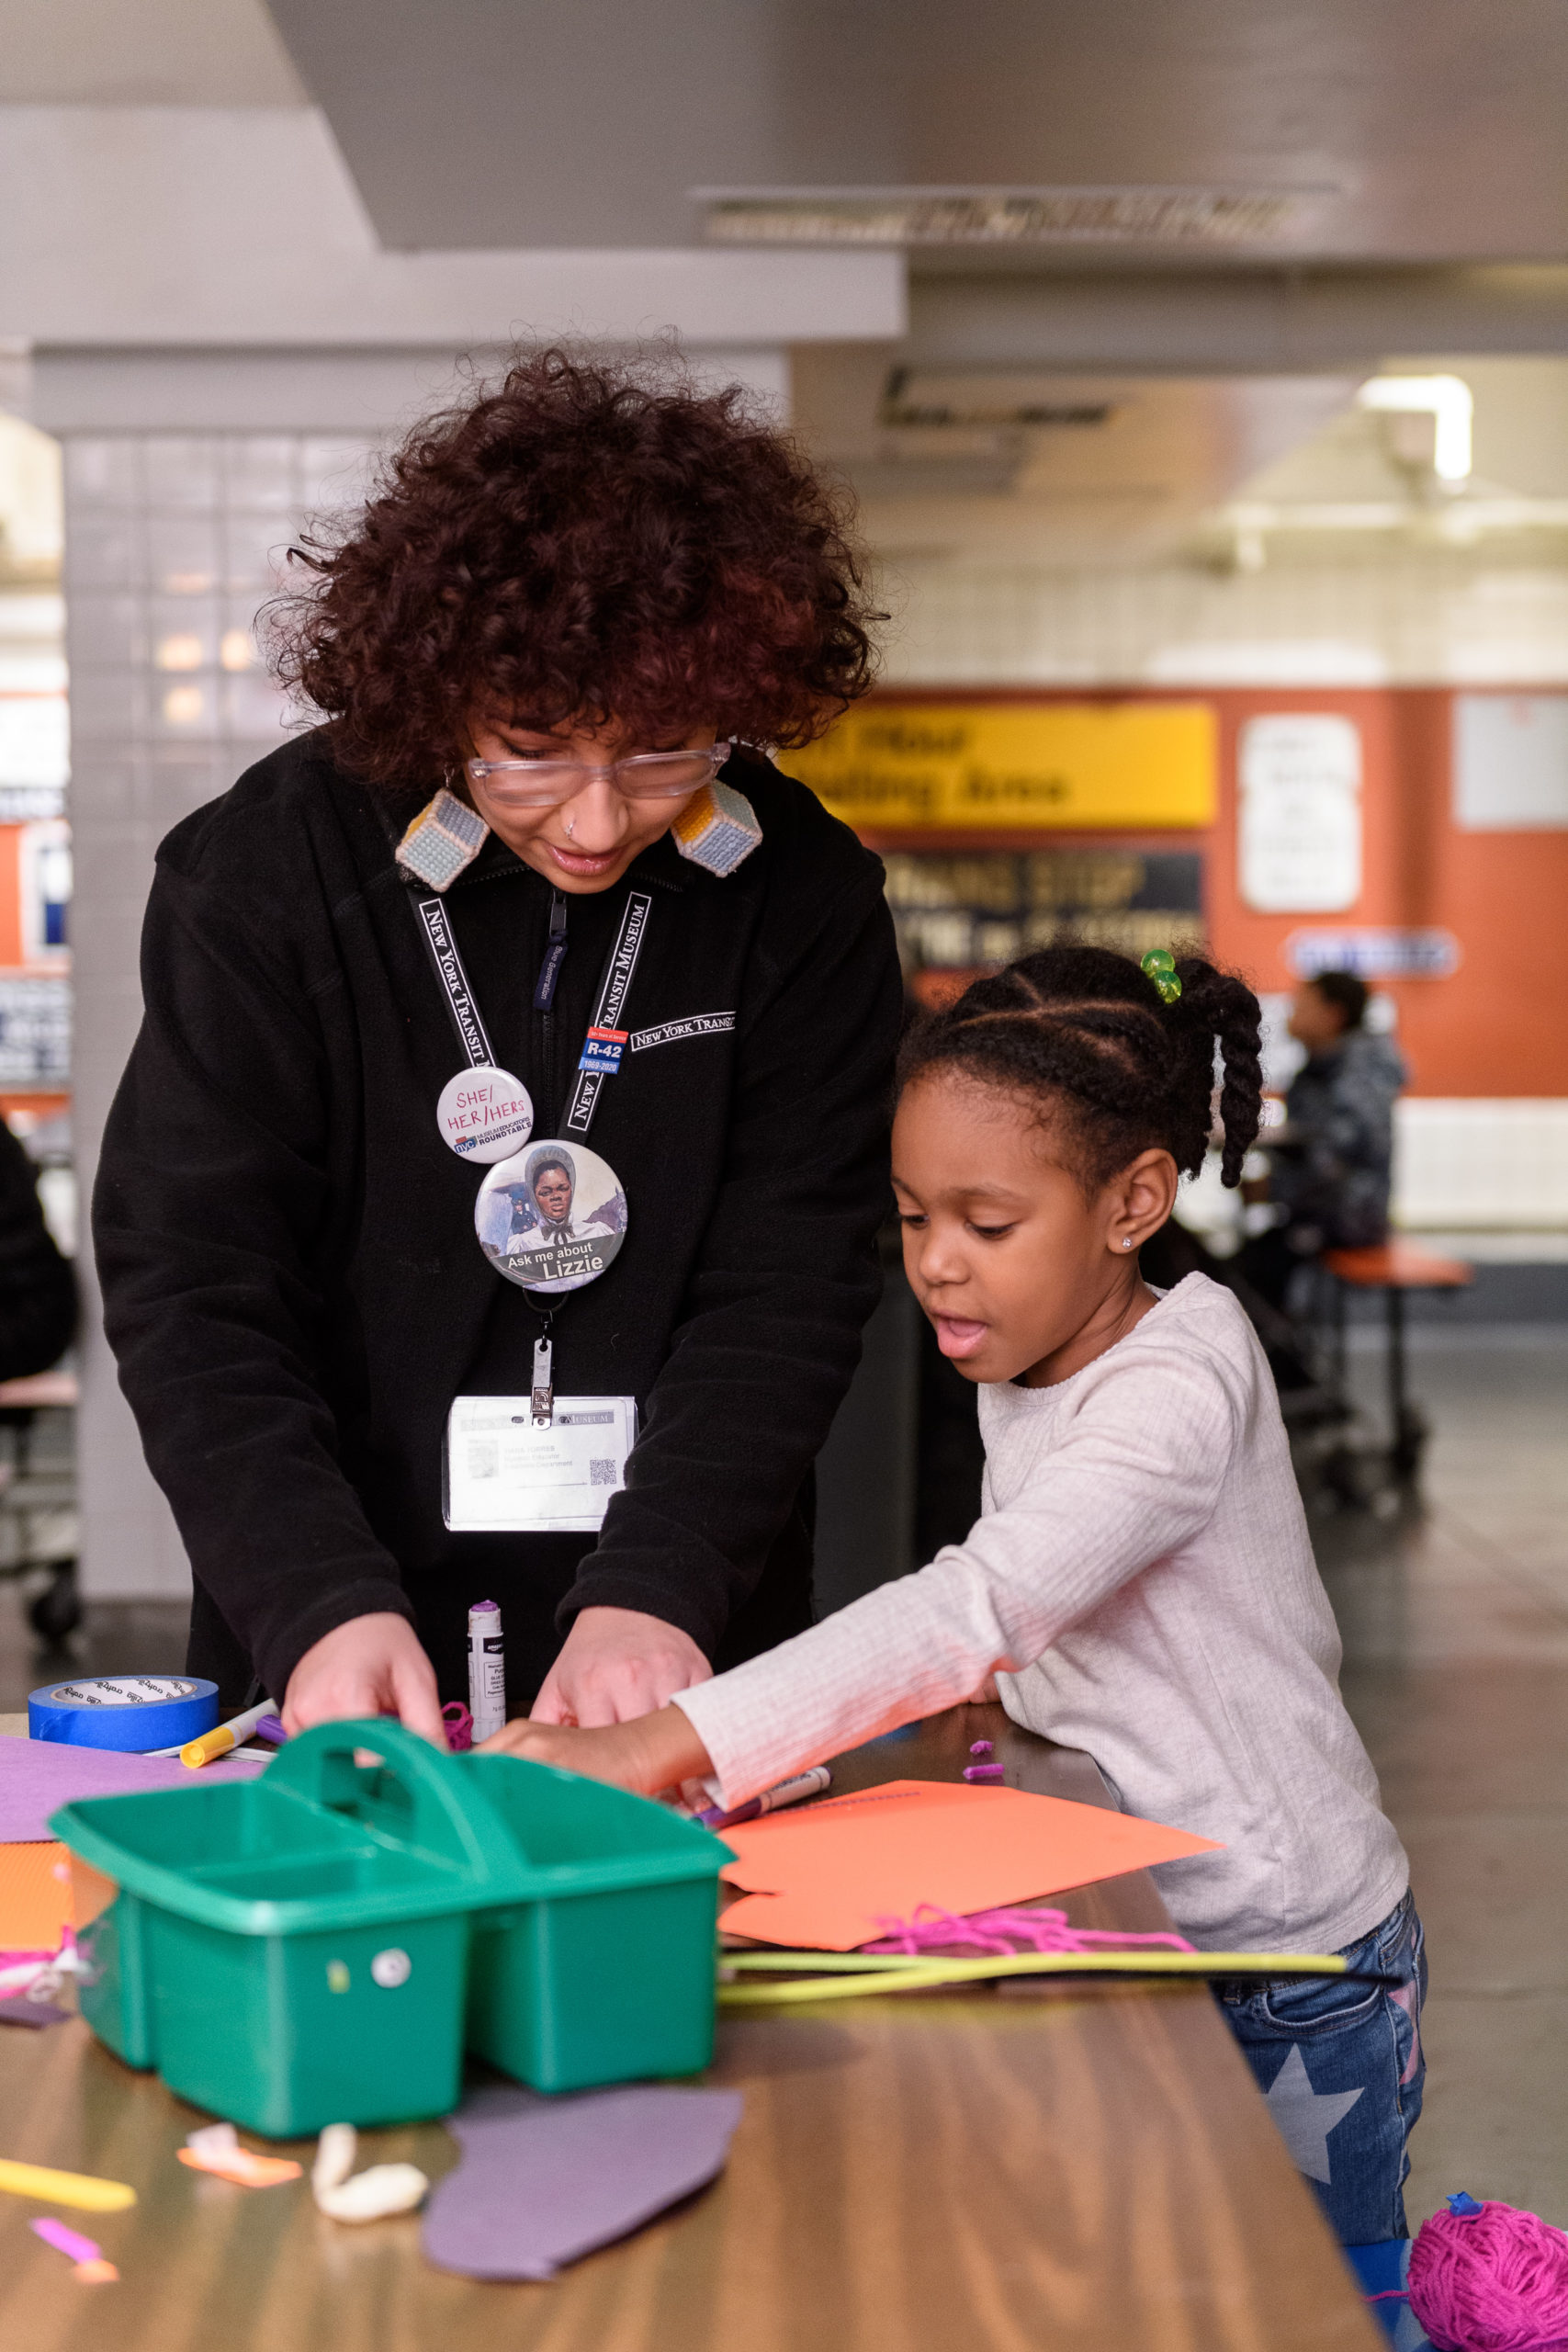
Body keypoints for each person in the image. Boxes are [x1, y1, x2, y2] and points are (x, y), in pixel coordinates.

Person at [485, 945, 1425, 2248]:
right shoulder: (1040, 1337)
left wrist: (654, 1745)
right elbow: (1038, 1592)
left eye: (985, 1225)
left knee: (1311, 2304)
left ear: (1131, 1202)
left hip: (1283, 1960)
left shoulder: (1170, 1390)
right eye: (913, 1216)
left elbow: (978, 1600)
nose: (934, 1264)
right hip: (1149, 1915)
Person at [94, 349, 903, 1741]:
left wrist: (662, 1584)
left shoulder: (800, 898)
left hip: (676, 1615)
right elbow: (197, 1282)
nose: (595, 823)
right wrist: (313, 1604)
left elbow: (789, 1279)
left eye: (663, 754)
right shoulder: (266, 877)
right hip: (336, 1608)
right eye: (528, 750)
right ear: (434, 688)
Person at [1242, 969, 1407, 1312]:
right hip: (1316, 1212)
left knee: (1253, 1273)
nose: (1291, 1014)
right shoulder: (1317, 1070)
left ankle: (1281, 1360)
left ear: (1333, 1015)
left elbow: (1341, 1156)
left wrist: (1273, 1188)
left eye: (1302, 1005)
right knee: (1247, 1265)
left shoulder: (1359, 1073)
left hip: (1349, 1218)